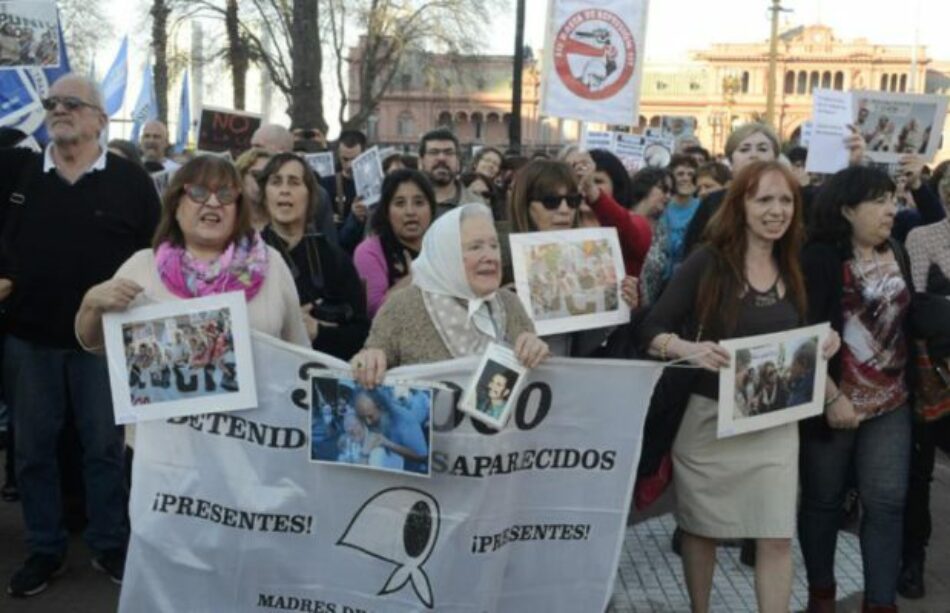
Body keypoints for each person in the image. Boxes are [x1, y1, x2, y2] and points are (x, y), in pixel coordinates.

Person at [638, 160, 839, 613]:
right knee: (701, 530)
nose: (777, 210)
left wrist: (825, 341)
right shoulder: (707, 262)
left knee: (775, 534)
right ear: (740, 204)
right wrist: (690, 348)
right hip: (709, 423)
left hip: (773, 427)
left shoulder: (795, 262)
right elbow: (651, 328)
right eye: (764, 198)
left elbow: (802, 333)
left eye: (786, 199)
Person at [0, 74, 161, 596]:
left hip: (105, 344)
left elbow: (157, 255)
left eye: (72, 102)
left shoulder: (132, 181)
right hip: (29, 340)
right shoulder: (14, 171)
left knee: (104, 449)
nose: (58, 109)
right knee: (33, 452)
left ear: (99, 119)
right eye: (52, 103)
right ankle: (44, 549)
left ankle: (110, 544)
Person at [798, 166, 915, 613]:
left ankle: (881, 604)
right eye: (880, 201)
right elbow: (805, 332)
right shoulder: (820, 258)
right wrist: (830, 396)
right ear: (847, 209)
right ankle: (821, 597)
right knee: (823, 502)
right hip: (833, 400)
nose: (892, 209)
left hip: (891, 403)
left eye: (893, 199)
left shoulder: (898, 251)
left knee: (887, 503)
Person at [75, 154, 308, 351]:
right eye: (198, 192)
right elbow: (96, 345)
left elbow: (299, 350)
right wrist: (91, 305)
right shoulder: (141, 266)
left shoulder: (271, 264)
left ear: (239, 209)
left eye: (226, 195)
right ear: (176, 205)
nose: (213, 202)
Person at [350, 203, 548, 387]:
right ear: (447, 254)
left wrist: (535, 349)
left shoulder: (509, 303)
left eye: (494, 246)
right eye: (475, 247)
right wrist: (368, 360)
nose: (490, 257)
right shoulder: (401, 307)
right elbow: (367, 363)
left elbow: (535, 375)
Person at [505, 159, 641, 357]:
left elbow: (582, 345)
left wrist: (618, 305)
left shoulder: (588, 256)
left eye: (572, 200)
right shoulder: (498, 261)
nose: (564, 209)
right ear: (525, 205)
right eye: (550, 201)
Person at [258, 153, 369, 360]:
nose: (284, 190)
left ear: (310, 195)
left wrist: (317, 331)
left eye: (294, 182)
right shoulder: (243, 257)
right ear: (264, 196)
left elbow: (362, 334)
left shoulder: (335, 259)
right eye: (275, 182)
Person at [895, 197, 950, 600]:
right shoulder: (922, 237)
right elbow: (917, 307)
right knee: (919, 473)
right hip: (931, 375)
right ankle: (913, 559)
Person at [354, 169, 435, 318]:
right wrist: (413, 278)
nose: (410, 211)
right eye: (400, 203)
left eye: (419, 202)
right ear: (386, 211)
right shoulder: (370, 251)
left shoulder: (442, 248)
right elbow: (376, 312)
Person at [639, 154, 701, 306]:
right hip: (659, 281)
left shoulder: (702, 206)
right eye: (680, 174)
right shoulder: (660, 206)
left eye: (690, 174)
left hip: (689, 280)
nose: (685, 178)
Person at [419, 128, 484, 216]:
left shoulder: (477, 206)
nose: (441, 158)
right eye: (434, 152)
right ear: (421, 162)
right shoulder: (405, 205)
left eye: (449, 153)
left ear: (458, 162)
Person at [319, 130, 367, 249]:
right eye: (345, 159)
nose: (349, 165)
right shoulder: (326, 184)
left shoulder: (378, 184)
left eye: (354, 159)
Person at [234, 147, 272, 230]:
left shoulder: (282, 222)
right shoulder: (228, 219)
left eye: (268, 177)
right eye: (256, 175)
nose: (262, 182)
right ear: (241, 177)